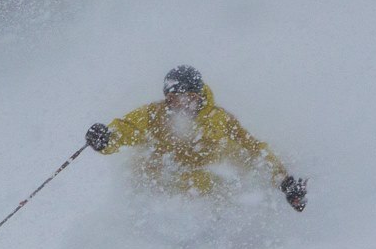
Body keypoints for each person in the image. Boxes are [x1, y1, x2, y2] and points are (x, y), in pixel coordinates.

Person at [85, 65, 307, 211]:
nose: (181, 105)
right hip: (161, 174)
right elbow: (126, 129)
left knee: (208, 180)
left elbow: (253, 149)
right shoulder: (154, 115)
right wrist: (106, 139)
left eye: (188, 98)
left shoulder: (218, 119)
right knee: (138, 167)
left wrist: (284, 180)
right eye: (174, 99)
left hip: (202, 180)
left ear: (199, 96)